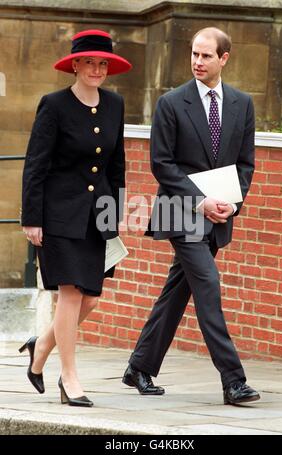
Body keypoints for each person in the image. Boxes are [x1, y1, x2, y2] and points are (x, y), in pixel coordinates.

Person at [123, 27, 260, 405]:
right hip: (181, 212)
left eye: (206, 56)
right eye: (194, 54)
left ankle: (139, 367)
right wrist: (201, 202)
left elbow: (245, 163)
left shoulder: (241, 103)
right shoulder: (171, 103)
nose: (198, 62)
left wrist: (234, 203)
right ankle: (233, 380)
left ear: (224, 58)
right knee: (208, 286)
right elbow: (161, 164)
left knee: (176, 292)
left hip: (219, 215)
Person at [20, 29, 131, 407]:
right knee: (70, 295)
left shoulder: (115, 105)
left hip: (96, 215)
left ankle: (41, 347)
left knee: (90, 299)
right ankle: (70, 379)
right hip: (58, 215)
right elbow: (35, 166)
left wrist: (115, 211)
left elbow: (117, 167)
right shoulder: (53, 105)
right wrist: (31, 218)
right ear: (76, 64)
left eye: (103, 63)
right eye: (90, 62)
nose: (97, 69)